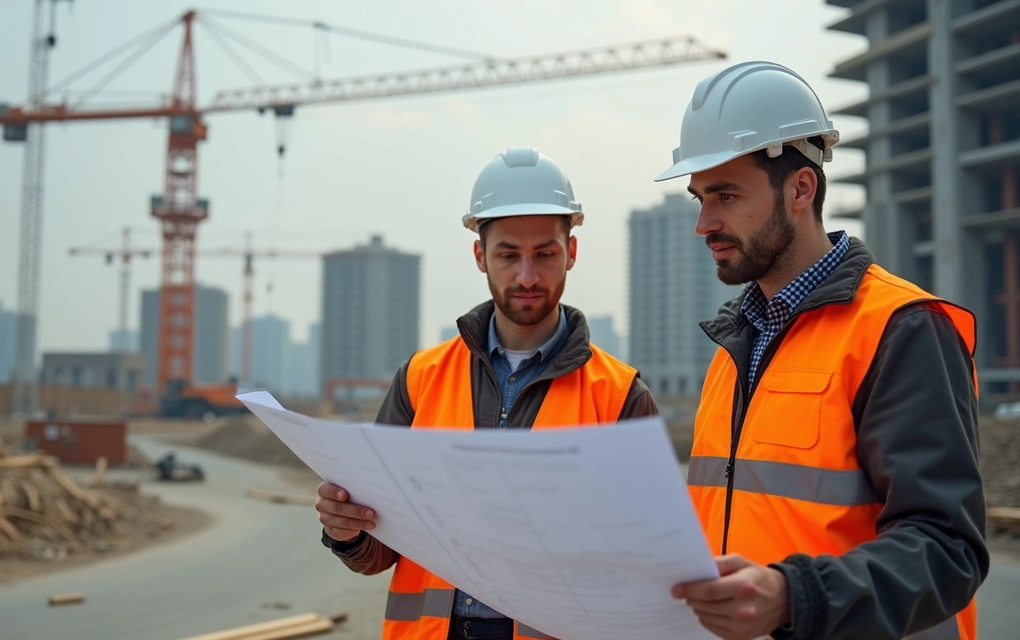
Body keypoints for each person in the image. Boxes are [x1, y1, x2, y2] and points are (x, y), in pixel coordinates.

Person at [654, 60, 988, 640]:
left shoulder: (901, 328)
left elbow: (947, 547)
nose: (704, 223)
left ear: (801, 188)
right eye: (700, 198)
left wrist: (792, 596)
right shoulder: (734, 347)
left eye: (726, 195)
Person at [314, 146, 659, 640]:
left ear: (572, 253)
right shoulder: (420, 378)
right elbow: (378, 554)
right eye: (507, 255)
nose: (527, 276)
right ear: (480, 255)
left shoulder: (620, 396)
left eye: (545, 253)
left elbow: (647, 563)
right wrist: (346, 533)